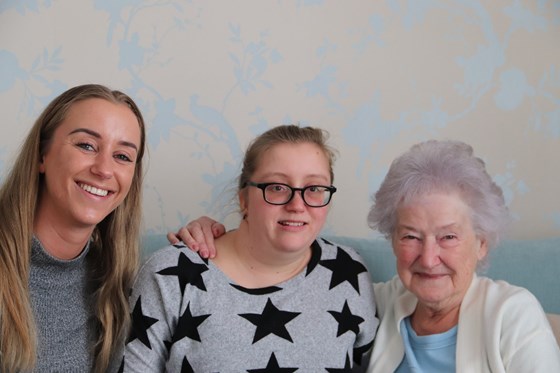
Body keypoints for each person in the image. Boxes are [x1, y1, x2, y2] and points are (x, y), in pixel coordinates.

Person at [178, 139, 560, 372]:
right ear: (391, 241)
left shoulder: (512, 314)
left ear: (482, 243)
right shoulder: (371, 300)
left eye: (448, 237)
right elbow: (283, 291)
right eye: (411, 235)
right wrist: (215, 235)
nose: (428, 259)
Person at [121, 125, 378, 371]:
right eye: (277, 187)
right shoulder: (171, 275)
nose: (297, 205)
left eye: (313, 188)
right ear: (244, 198)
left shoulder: (349, 271)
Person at [0, 84, 146, 373]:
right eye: (86, 145)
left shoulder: (117, 284)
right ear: (43, 155)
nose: (104, 170)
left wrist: (204, 244)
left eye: (122, 156)